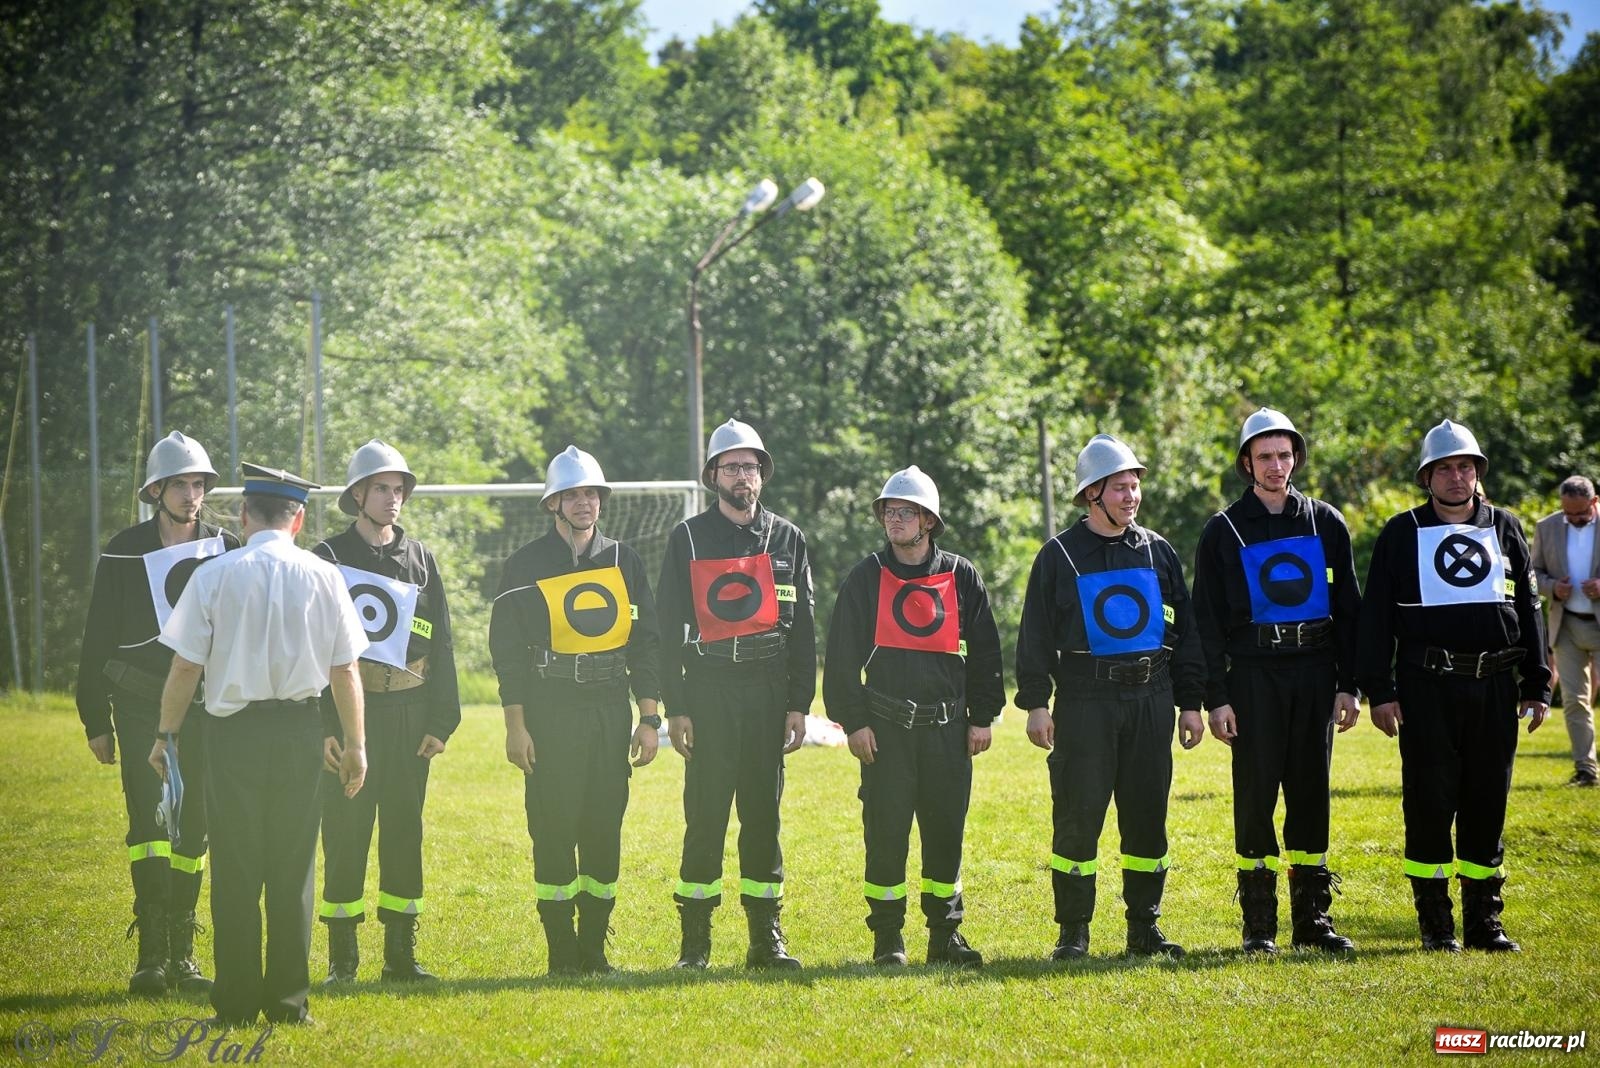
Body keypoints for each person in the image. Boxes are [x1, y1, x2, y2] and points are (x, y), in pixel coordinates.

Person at [150, 462, 368, 1026]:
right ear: (297, 520)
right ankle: (290, 1003)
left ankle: (238, 1001)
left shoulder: (215, 575)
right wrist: (356, 744)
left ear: (245, 516)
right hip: (299, 732)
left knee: (236, 866)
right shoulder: (324, 576)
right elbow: (345, 670)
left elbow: (184, 667)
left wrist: (165, 736)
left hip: (232, 734)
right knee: (294, 868)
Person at [1356, 420, 1551, 953]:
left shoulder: (1506, 527)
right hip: (1426, 687)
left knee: (1488, 800)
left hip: (1494, 688)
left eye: (1466, 466)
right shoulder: (1400, 533)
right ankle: (1436, 924)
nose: (1457, 476)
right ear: (1427, 476)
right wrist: (1380, 688)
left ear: (1478, 473)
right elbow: (1376, 619)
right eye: (1445, 468)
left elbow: (1529, 610)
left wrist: (1537, 682)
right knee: (1430, 800)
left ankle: (1485, 922)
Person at [1015, 434, 1206, 961]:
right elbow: (1034, 634)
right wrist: (1036, 703)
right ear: (1092, 493)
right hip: (1085, 700)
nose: (1132, 496)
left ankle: (1144, 927)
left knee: (1147, 816)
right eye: (1121, 487)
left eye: (1135, 486)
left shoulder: (1158, 551)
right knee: (1077, 816)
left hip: (1152, 696)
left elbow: (1184, 631)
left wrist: (1191, 702)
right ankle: (1073, 931)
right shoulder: (1058, 556)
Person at [1191, 409, 1361, 955]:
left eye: (1284, 455)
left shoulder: (1325, 522)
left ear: (1296, 459)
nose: (1275, 465)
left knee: (1311, 792)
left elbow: (1351, 611)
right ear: (1247, 462)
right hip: (1254, 676)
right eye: (1264, 456)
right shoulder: (1223, 530)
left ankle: (1313, 919)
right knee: (1256, 795)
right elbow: (1206, 621)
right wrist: (1216, 697)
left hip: (1315, 671)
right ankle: (1258, 925)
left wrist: (1348, 685)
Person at [76, 431, 239, 995]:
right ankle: (150, 957)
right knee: (149, 823)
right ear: (157, 489)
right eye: (181, 485)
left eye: (199, 484)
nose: (192, 495)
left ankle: (183, 954)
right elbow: (97, 638)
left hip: (207, 706)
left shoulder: (228, 546)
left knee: (195, 824)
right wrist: (94, 718)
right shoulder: (123, 549)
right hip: (140, 700)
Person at [822, 466, 1003, 968]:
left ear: (928, 520)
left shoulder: (961, 575)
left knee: (945, 831)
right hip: (886, 732)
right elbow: (840, 661)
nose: (893, 519)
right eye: (888, 512)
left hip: (947, 732)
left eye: (904, 512)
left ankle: (945, 936)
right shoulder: (865, 579)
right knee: (885, 834)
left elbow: (987, 654)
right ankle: (887, 940)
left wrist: (982, 716)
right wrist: (853, 722)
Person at [489, 446, 661, 975]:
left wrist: (649, 717)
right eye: (573, 495)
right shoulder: (523, 567)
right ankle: (561, 953)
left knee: (603, 825)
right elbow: (507, 654)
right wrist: (516, 727)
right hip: (550, 710)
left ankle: (595, 951)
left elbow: (647, 643)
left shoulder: (623, 560)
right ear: (553, 504)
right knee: (554, 826)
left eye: (591, 494)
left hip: (609, 709)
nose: (584, 503)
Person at [655, 418, 816, 970]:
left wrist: (799, 703)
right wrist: (676, 707)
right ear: (713, 476)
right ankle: (694, 945)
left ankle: (764, 940)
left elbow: (804, 629)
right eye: (731, 467)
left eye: (750, 467)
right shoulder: (689, 538)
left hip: (768, 690)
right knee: (705, 814)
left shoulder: (788, 537)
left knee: (762, 816)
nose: (742, 477)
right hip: (708, 690)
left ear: (761, 474)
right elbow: (665, 628)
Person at [312, 441, 460, 983]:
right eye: (382, 488)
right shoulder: (327, 557)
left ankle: (401, 957)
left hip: (409, 714)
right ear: (357, 494)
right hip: (351, 715)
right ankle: (342, 962)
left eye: (399, 489)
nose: (393, 498)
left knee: (403, 831)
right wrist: (325, 726)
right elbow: (312, 647)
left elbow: (441, 638)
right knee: (345, 831)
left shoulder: (420, 557)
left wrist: (442, 720)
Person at [1530, 475, 1600, 787]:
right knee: (1574, 701)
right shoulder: (1547, 527)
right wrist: (1552, 587)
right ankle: (1586, 770)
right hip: (1567, 624)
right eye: (1568, 514)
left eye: (1581, 514)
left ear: (1594, 503)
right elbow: (1533, 574)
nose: (1573, 520)